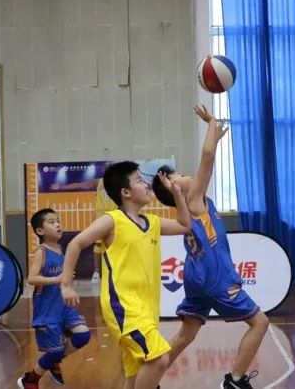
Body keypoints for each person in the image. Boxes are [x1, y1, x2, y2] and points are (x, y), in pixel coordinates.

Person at [151, 105, 269, 389]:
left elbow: (208, 157)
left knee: (186, 334)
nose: (185, 174)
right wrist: (211, 122)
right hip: (215, 276)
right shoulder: (193, 198)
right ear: (174, 189)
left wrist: (215, 136)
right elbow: (207, 157)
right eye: (178, 175)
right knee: (260, 323)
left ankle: (150, 379)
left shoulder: (190, 205)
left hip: (195, 276)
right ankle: (236, 381)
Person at [60, 161, 192, 389]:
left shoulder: (152, 222)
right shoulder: (112, 220)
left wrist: (178, 194)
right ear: (126, 192)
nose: (147, 185)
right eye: (140, 181)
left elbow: (184, 225)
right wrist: (66, 284)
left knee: (135, 374)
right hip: (123, 306)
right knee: (160, 359)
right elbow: (75, 243)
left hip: (147, 309)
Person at [18, 208, 91, 389]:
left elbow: (62, 277)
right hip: (47, 309)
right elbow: (31, 279)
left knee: (83, 335)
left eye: (58, 221)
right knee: (55, 351)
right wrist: (57, 279)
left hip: (63, 306)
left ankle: (53, 360)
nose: (57, 224)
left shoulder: (59, 249)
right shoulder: (41, 252)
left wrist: (67, 280)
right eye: (51, 222)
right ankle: (30, 380)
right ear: (40, 231)